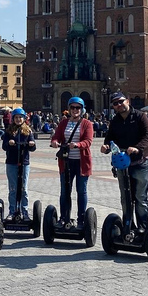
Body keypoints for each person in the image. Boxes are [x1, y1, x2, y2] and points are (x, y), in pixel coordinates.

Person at [101, 91, 148, 233]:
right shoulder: (115, 121)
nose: (118, 105)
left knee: (140, 197)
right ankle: (128, 226)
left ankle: (142, 228)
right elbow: (110, 138)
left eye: (121, 101)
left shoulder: (140, 116)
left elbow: (147, 136)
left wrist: (137, 148)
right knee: (125, 197)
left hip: (140, 163)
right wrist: (106, 147)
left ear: (128, 101)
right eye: (115, 103)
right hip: (123, 165)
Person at [50, 96, 94, 229]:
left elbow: (88, 141)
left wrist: (77, 145)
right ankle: (64, 218)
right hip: (66, 162)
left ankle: (81, 219)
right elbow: (56, 136)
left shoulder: (87, 124)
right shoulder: (63, 123)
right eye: (73, 107)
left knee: (81, 191)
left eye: (78, 108)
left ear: (82, 109)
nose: (75, 110)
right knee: (65, 191)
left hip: (81, 163)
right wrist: (55, 142)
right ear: (69, 109)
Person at [1, 108, 36, 221]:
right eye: (16, 117)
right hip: (11, 162)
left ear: (24, 119)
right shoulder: (9, 131)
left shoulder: (28, 131)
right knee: (13, 188)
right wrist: (9, 143)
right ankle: (12, 211)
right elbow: (4, 146)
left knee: (24, 188)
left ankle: (24, 212)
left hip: (24, 163)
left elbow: (33, 148)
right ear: (13, 119)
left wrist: (31, 143)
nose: (18, 119)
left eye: (20, 117)